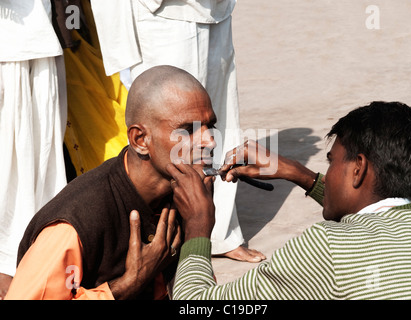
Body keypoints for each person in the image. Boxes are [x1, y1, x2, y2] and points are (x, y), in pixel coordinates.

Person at [169, 101, 411, 299]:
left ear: (358, 168)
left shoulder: (326, 247)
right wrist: (298, 174)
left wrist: (198, 225)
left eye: (332, 161)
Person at [5, 65, 217, 300]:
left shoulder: (191, 193)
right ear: (140, 139)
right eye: (188, 130)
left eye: (211, 126)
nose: (209, 141)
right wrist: (128, 284)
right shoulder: (74, 225)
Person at [89, 0, 265, 263]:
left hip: (215, 10)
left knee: (217, 123)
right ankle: (173, 246)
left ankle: (219, 234)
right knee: (172, 140)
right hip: (162, 18)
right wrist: (120, 54)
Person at [0, 0, 67, 298]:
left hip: (36, 37)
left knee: (40, 162)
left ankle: (33, 258)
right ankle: (8, 264)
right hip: (10, 45)